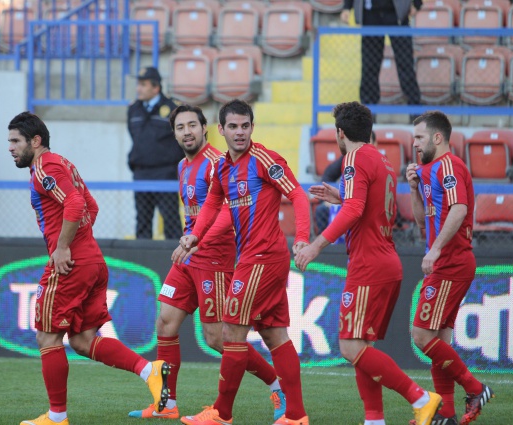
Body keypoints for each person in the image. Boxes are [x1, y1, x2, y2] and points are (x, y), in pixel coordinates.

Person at [7, 111, 169, 425]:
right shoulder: (63, 163)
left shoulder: (44, 167)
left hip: (71, 264)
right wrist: (80, 242)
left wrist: (64, 246)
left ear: (35, 141)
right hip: (92, 260)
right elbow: (91, 206)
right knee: (82, 340)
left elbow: (76, 204)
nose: (10, 148)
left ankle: (57, 417)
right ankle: (150, 371)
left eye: (16, 141)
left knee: (47, 338)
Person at [128, 104, 286, 421]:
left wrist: (198, 240)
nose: (187, 132)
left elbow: (229, 211)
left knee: (218, 338)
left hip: (214, 257)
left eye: (192, 125)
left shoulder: (217, 163)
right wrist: (191, 241)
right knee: (165, 322)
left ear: (204, 128)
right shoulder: (182, 166)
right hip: (189, 254)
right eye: (180, 127)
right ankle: (167, 403)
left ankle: (277, 385)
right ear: (174, 134)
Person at [294, 101, 441, 425]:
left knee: (350, 347)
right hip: (385, 260)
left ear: (340, 133)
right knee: (362, 346)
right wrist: (341, 197)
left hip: (368, 264)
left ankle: (420, 398)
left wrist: (316, 245)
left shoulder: (354, 158)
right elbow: (368, 205)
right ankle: (374, 420)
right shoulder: (381, 159)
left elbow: (354, 210)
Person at [175, 99, 311, 425]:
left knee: (231, 332)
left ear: (253, 127)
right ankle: (295, 415)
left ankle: (221, 413)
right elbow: (212, 203)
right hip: (252, 257)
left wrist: (303, 237)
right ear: (220, 129)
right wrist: (195, 235)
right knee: (275, 335)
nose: (240, 132)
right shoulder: (223, 167)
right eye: (233, 126)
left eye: (245, 126)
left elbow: (297, 195)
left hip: (263, 258)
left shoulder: (265, 159)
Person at [406, 111, 494, 425]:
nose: (414, 144)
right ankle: (445, 413)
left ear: (438, 137)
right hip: (446, 262)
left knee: (420, 335)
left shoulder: (450, 166)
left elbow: (459, 209)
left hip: (451, 263)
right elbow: (422, 221)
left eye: (419, 137)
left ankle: (475, 388)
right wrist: (414, 189)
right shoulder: (428, 170)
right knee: (438, 341)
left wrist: (435, 249)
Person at [127, 66, 184, 240]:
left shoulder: (173, 109)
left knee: (171, 221)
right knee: (142, 222)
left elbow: (182, 141)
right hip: (141, 173)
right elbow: (135, 137)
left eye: (143, 85)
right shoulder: (133, 109)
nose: (138, 88)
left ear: (156, 87)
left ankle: (176, 257)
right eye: (138, 84)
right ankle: (142, 257)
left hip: (165, 174)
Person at [341, 0, 421, 118]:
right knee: (369, 66)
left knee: (405, 64)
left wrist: (417, 3)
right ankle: (367, 113)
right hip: (370, 15)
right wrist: (347, 7)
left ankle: (415, 112)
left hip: (397, 14)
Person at [314, 130, 377, 234]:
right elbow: (328, 175)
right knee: (321, 209)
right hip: (349, 202)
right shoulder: (349, 158)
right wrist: (334, 198)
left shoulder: (380, 162)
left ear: (375, 143)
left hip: (370, 206)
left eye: (368, 140)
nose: (364, 144)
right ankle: (327, 243)